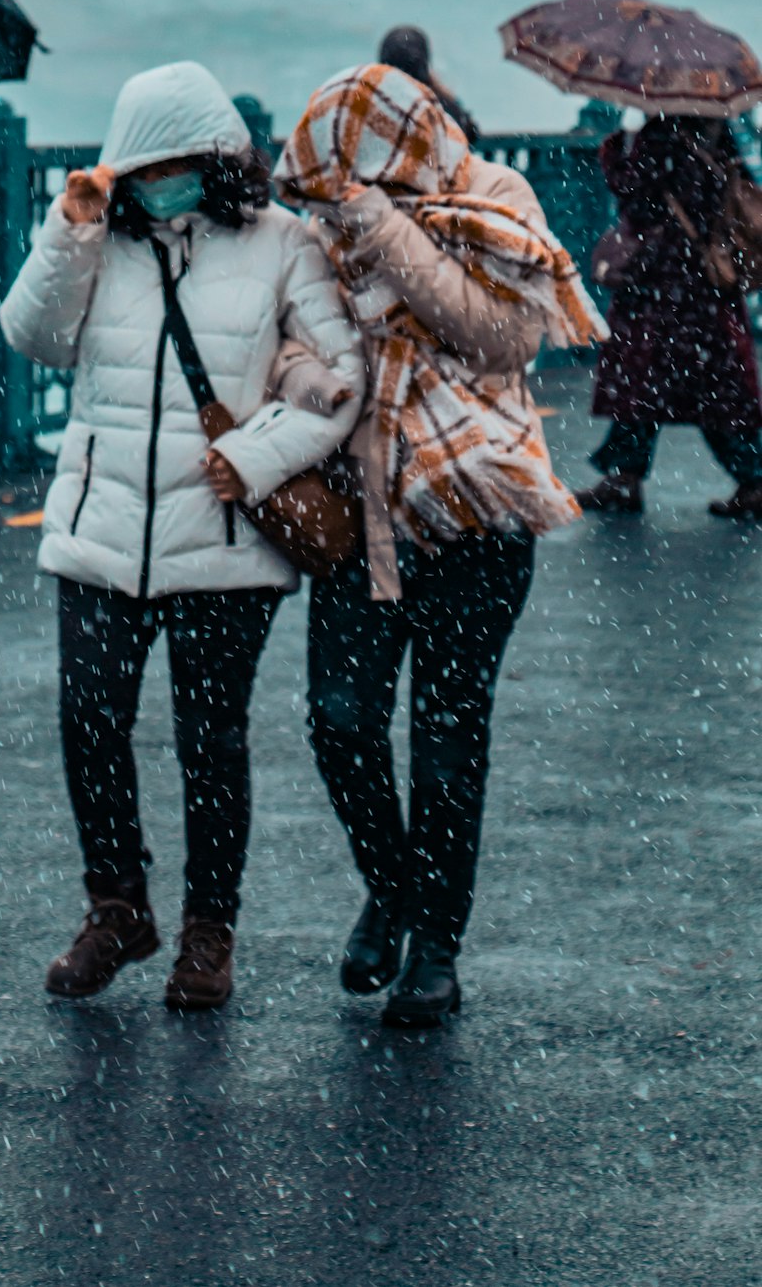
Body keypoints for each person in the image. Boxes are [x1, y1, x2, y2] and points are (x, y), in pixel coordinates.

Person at [0, 62, 364, 1011]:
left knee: (210, 742)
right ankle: (117, 906)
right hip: (99, 528)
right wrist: (69, 226)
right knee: (89, 722)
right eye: (140, 167)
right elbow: (32, 335)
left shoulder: (284, 243)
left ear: (215, 160)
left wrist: (257, 455)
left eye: (175, 163)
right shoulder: (100, 240)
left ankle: (210, 929)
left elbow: (340, 376)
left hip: (224, 539)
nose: (157, 181)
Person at [275, 63, 604, 1028]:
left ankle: (437, 950)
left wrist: (382, 228)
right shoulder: (318, 221)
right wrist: (313, 381)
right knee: (339, 723)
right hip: (364, 516)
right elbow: (289, 341)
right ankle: (396, 885)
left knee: (450, 741)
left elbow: (502, 335)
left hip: (476, 521)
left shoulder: (496, 197)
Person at [577, 116, 762, 518]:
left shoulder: (660, 138)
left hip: (662, 281)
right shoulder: (717, 135)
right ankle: (627, 476)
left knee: (647, 383)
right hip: (704, 284)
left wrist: (620, 147)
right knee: (708, 388)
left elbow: (633, 194)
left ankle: (751, 478)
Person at [378, 24, 480, 144]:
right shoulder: (441, 108)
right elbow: (471, 132)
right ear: (425, 62)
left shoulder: (373, 104)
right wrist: (444, 94)